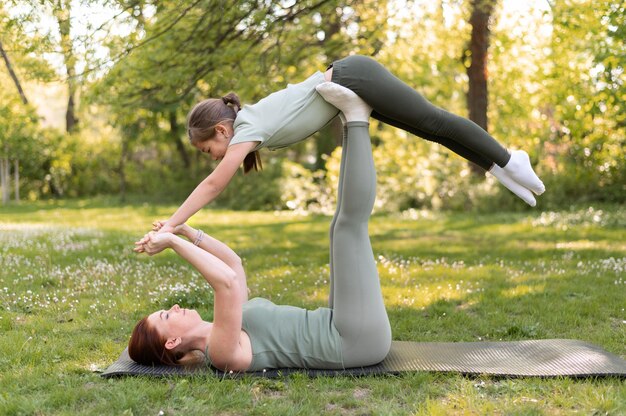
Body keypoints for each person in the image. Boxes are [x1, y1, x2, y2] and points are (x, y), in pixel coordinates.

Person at [157, 55, 545, 236]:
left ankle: (510, 157)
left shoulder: (245, 127)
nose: (210, 159)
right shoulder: (248, 127)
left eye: (206, 150)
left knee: (434, 119)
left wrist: (174, 223)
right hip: (352, 87)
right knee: (430, 131)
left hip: (355, 76)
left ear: (221, 132)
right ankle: (499, 168)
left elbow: (214, 184)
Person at [129, 111, 391, 371]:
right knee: (348, 228)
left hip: (340, 326)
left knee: (339, 228)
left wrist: (186, 231)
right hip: (352, 342)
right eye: (166, 315)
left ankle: (350, 122)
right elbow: (226, 283)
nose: (173, 307)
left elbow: (233, 264)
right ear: (172, 342)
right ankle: (357, 119)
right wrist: (173, 244)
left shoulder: (227, 324)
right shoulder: (220, 352)